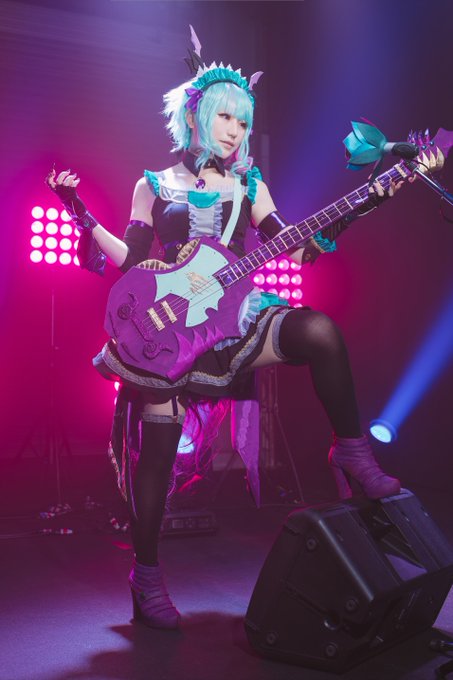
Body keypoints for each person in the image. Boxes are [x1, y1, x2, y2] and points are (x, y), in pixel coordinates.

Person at [47, 28, 404, 631]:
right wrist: (78, 212)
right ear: (197, 116)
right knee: (157, 454)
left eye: (243, 121)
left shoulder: (250, 184)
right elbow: (131, 261)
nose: (236, 131)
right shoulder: (153, 184)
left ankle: (351, 451)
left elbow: (300, 247)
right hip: (167, 331)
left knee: (319, 332)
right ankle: (147, 576)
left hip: (235, 319)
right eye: (225, 117)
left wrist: (366, 201)